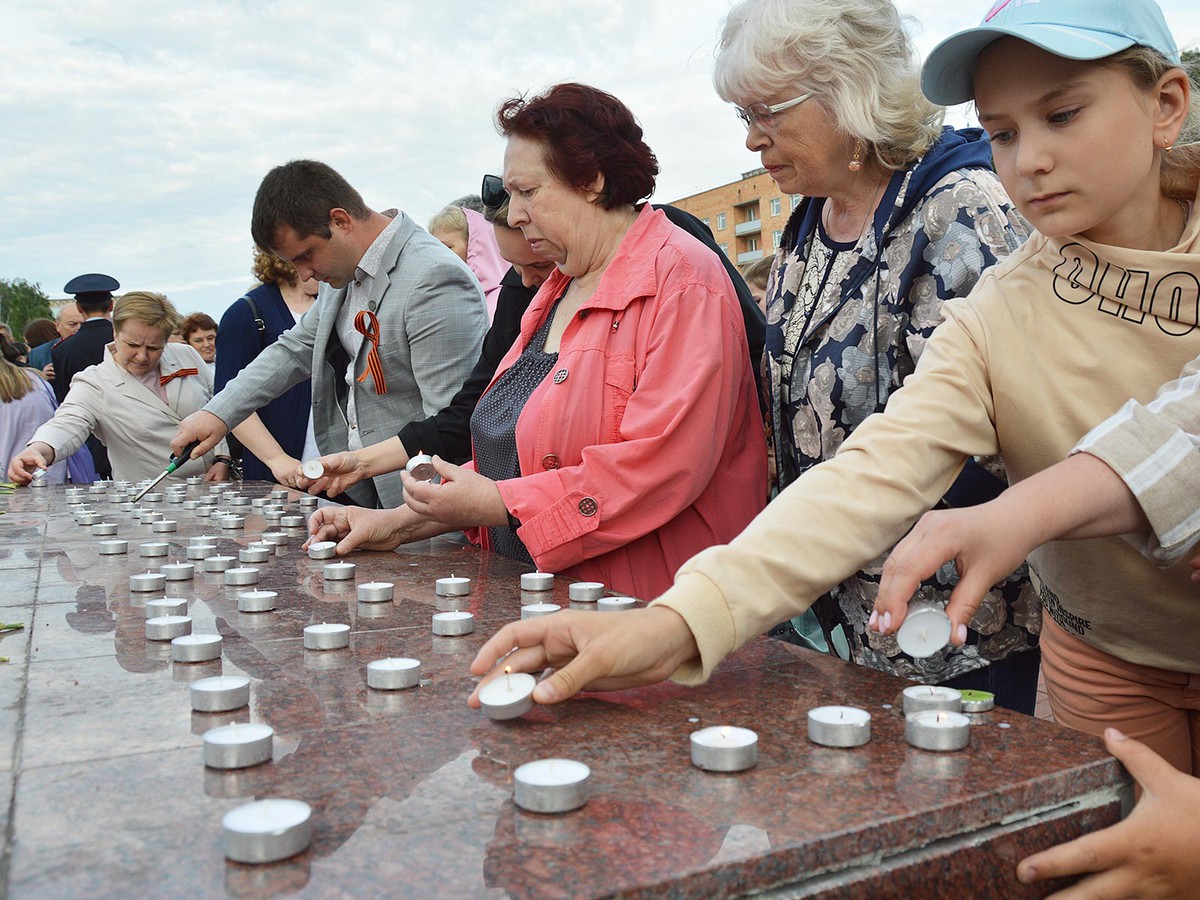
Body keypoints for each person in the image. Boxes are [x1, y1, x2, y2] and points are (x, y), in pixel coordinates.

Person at [467, 0, 1200, 757]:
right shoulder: (1001, 300)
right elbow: (879, 464)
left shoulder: (963, 219)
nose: (1028, 159)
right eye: (1004, 132)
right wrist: (679, 622)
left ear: (1166, 105)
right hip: (1103, 646)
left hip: (964, 623)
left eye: (1065, 115)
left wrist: (1021, 513)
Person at [308, 83, 767, 600]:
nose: (515, 214)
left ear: (591, 181)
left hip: (648, 611)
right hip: (554, 602)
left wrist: (497, 504)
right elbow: (519, 456)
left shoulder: (682, 277)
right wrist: (396, 523)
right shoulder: (557, 287)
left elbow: (660, 467)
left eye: (527, 192)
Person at [710, 0, 1038, 710]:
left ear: (848, 88)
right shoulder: (807, 221)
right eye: (743, 117)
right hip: (833, 624)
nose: (751, 142)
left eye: (766, 112)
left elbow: (997, 434)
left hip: (953, 633)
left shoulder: (961, 208)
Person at [297, 179, 760, 496]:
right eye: (515, 269)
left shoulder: (673, 250)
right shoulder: (531, 287)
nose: (531, 281)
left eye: (538, 265)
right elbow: (474, 407)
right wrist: (364, 463)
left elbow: (752, 347)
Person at [169, 159, 487, 508]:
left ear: (340, 221)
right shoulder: (344, 272)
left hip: (422, 503)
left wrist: (409, 522)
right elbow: (295, 348)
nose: (305, 275)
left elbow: (451, 426)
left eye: (306, 256)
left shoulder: (433, 276)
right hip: (367, 493)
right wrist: (217, 414)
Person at [8, 292, 232, 485]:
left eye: (154, 347)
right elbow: (66, 424)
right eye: (132, 345)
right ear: (115, 333)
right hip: (152, 502)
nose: (142, 356)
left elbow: (218, 407)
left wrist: (222, 458)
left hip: (216, 489)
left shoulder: (187, 355)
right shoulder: (94, 382)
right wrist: (38, 450)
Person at [215, 249, 320, 484]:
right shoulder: (246, 313)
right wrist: (276, 459)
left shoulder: (335, 304)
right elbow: (230, 398)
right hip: (280, 470)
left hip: (341, 466)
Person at [51, 272, 120, 478]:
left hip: (88, 437)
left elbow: (64, 399)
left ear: (80, 309)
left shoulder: (62, 349)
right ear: (111, 305)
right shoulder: (122, 339)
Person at [428, 201, 507, 322]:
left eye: (447, 247)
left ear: (474, 246)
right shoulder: (443, 297)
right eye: (435, 248)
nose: (439, 255)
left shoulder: (502, 299)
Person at [28, 305, 85, 377]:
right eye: (72, 324)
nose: (78, 329)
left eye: (83, 324)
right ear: (58, 326)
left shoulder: (99, 347)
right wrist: (41, 377)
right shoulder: (38, 355)